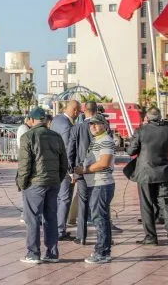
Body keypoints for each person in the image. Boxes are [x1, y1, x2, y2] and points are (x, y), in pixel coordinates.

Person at [16, 107, 68, 264]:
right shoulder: (56, 136)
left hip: (35, 183)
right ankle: (52, 253)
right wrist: (57, 179)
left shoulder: (28, 136)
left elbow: (24, 165)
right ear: (45, 120)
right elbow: (64, 162)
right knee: (51, 218)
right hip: (53, 182)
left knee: (32, 218)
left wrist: (22, 183)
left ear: (31, 120)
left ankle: (33, 253)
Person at [128, 107, 168, 247]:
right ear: (160, 116)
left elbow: (131, 151)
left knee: (146, 204)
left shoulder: (141, 131)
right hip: (163, 171)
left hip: (145, 172)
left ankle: (151, 236)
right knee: (165, 202)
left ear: (147, 117)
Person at [74, 114, 115, 264]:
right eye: (91, 124)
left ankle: (102, 252)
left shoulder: (105, 140)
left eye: (97, 124)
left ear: (105, 125)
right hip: (97, 183)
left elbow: (104, 163)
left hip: (102, 184)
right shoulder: (97, 140)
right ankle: (104, 250)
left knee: (100, 219)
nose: (93, 126)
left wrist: (84, 170)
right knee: (100, 218)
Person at [50, 99, 80, 242]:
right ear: (74, 111)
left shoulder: (56, 120)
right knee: (65, 198)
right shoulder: (68, 126)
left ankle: (54, 227)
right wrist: (71, 171)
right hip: (64, 168)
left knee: (57, 198)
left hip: (54, 165)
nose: (78, 114)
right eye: (78, 111)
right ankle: (60, 230)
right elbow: (69, 151)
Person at [69, 102, 98, 244]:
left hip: (81, 170)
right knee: (99, 204)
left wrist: (71, 171)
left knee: (83, 203)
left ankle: (81, 236)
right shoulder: (104, 127)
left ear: (83, 111)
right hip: (99, 170)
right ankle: (102, 235)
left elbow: (71, 152)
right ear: (96, 110)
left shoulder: (77, 128)